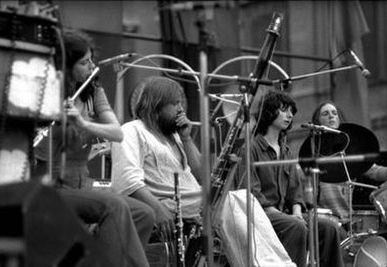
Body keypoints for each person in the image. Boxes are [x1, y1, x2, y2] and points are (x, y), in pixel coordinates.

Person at [111, 76, 296, 267]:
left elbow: (201, 175)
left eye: (181, 103)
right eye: (175, 104)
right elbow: (126, 181)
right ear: (157, 105)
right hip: (171, 202)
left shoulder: (174, 137)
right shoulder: (132, 130)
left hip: (194, 200)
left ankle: (281, 263)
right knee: (227, 202)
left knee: (244, 197)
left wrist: (187, 139)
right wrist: (158, 210)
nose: (181, 109)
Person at [33, 28, 154, 267]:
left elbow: (117, 132)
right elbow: (39, 155)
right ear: (66, 65)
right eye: (83, 62)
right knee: (114, 205)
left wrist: (82, 122)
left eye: (91, 60)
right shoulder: (43, 96)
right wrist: (51, 117)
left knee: (144, 213)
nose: (91, 67)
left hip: (83, 183)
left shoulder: (93, 93)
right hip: (52, 187)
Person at [237, 90, 344, 267]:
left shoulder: (286, 150)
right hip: (262, 215)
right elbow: (252, 193)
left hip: (285, 215)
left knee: (329, 227)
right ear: (269, 113)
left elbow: (295, 191)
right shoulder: (250, 149)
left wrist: (296, 212)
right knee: (296, 227)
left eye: (291, 111)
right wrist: (287, 217)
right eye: (284, 110)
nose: (290, 115)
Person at [311, 101, 387, 225]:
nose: (331, 116)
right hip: (325, 221)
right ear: (317, 123)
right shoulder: (312, 156)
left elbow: (375, 172)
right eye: (325, 113)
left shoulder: (349, 153)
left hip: (348, 220)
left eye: (334, 113)